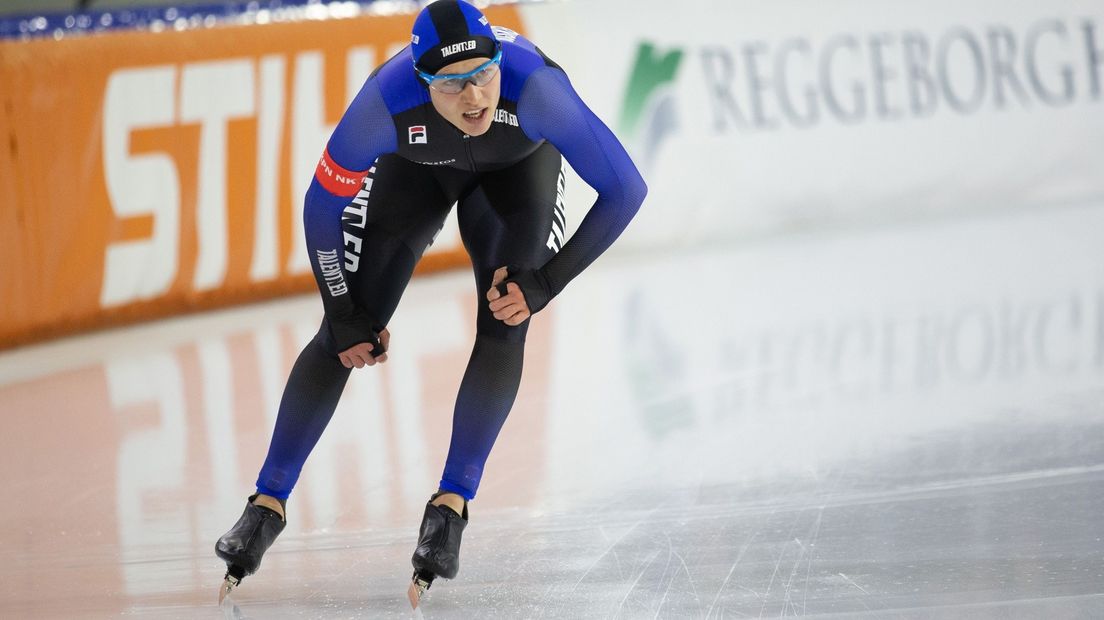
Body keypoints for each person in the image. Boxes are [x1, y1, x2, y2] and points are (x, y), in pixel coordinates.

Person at [215, 0, 647, 607]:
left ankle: (450, 506)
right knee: (346, 329)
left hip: (517, 173)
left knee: (506, 313)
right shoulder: (382, 103)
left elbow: (627, 190)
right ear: (421, 82)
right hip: (416, 171)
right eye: (450, 86)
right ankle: (266, 503)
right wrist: (342, 311)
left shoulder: (539, 92)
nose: (473, 98)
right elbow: (321, 208)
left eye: (482, 76)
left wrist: (547, 283)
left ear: (499, 62)